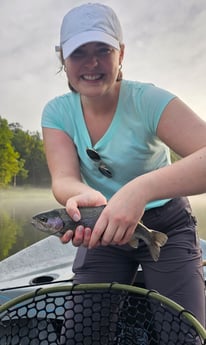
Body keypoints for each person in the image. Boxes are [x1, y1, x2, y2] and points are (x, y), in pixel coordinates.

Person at [41, 2, 206, 332]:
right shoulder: (56, 113)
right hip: (100, 227)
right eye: (78, 53)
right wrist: (84, 199)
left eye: (102, 49)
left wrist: (139, 190)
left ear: (121, 53)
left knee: (183, 333)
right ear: (63, 58)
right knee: (81, 334)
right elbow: (64, 179)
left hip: (166, 225)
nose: (91, 63)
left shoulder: (149, 100)